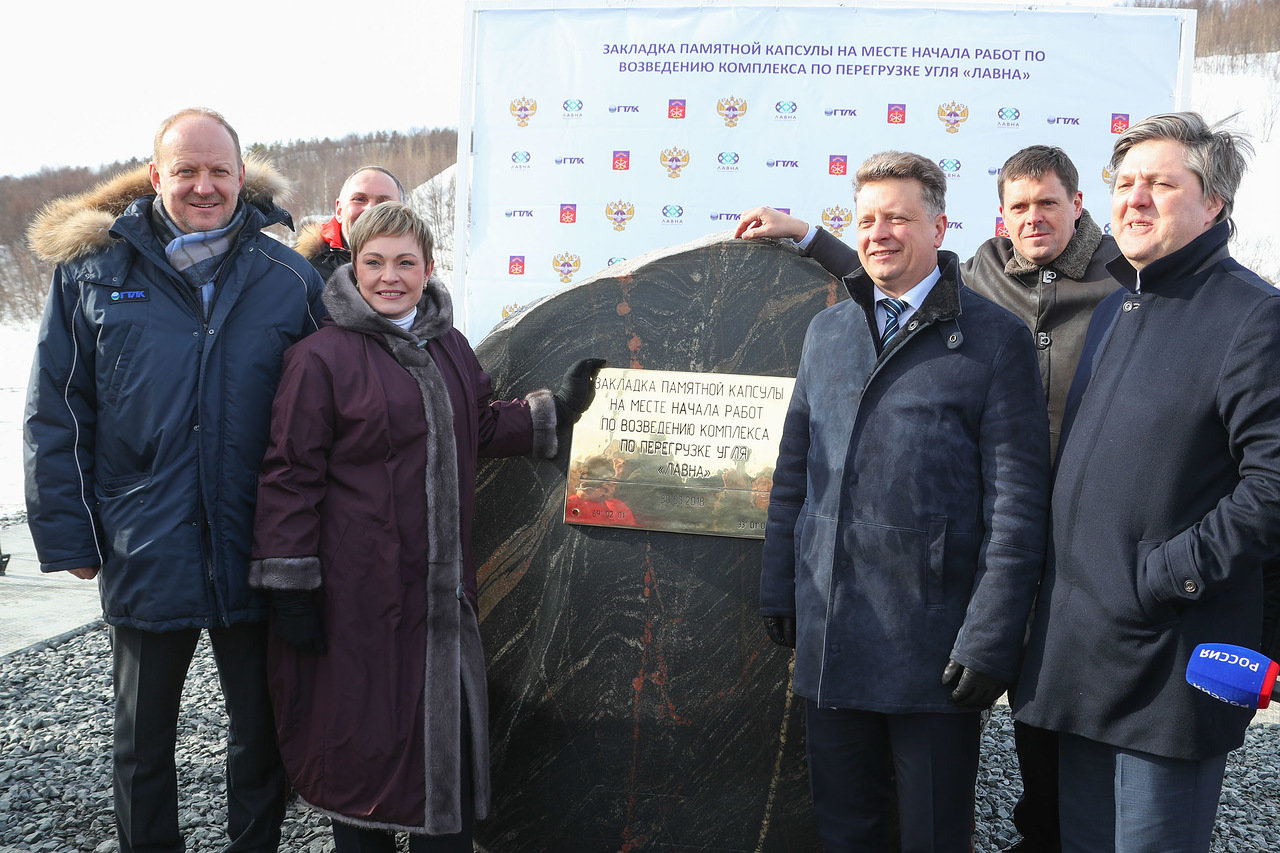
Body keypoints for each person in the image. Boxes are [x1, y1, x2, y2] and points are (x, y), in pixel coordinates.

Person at [739, 145, 1121, 851]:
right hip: (832, 635)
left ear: (940, 226)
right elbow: (796, 471)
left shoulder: (994, 339)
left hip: (934, 646)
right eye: (867, 219)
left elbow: (1016, 507)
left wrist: (990, 637)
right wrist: (780, 590)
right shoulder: (827, 332)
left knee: (933, 833)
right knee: (847, 828)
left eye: (898, 218)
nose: (880, 232)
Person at [249, 201, 604, 852]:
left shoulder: (448, 348)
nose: (390, 276)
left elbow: (482, 425)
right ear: (353, 269)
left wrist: (557, 411)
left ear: (429, 268)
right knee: (360, 759)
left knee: (443, 769)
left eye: (405, 262)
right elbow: (288, 474)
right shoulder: (320, 359)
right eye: (375, 262)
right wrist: (290, 582)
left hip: (441, 604)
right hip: (355, 601)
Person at [24, 108, 326, 852]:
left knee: (261, 732)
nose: (203, 185)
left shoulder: (289, 277)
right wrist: (70, 530)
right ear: (155, 175)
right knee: (140, 739)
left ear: (241, 174)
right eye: (186, 170)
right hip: (142, 540)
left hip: (254, 540)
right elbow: (57, 410)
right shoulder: (93, 273)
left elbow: (333, 413)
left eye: (219, 170)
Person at [1011, 112, 1280, 853]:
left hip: (1169, 665)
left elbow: (1273, 485)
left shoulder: (1254, 316)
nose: (1134, 198)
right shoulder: (1117, 308)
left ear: (1214, 204)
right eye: (1124, 183)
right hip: (1084, 660)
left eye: (1161, 183)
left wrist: (1167, 574)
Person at [295, 165, 405, 279]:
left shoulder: (420, 271)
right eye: (359, 199)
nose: (370, 210)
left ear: (403, 213)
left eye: (383, 202)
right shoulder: (301, 271)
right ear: (339, 210)